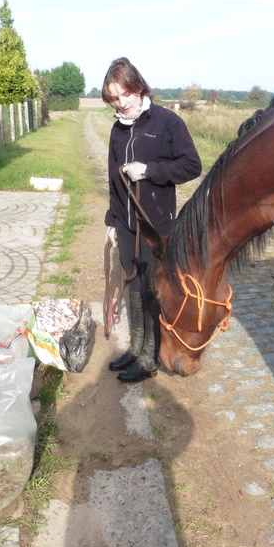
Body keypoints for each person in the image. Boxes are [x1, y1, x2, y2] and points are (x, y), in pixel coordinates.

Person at [101, 57, 202, 382]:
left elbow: (192, 165)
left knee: (151, 290)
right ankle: (136, 348)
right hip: (126, 225)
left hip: (157, 228)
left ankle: (149, 358)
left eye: (126, 94)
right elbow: (112, 179)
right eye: (115, 99)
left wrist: (150, 171)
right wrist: (112, 222)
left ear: (138, 87)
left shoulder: (167, 122)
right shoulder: (118, 129)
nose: (122, 103)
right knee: (131, 285)